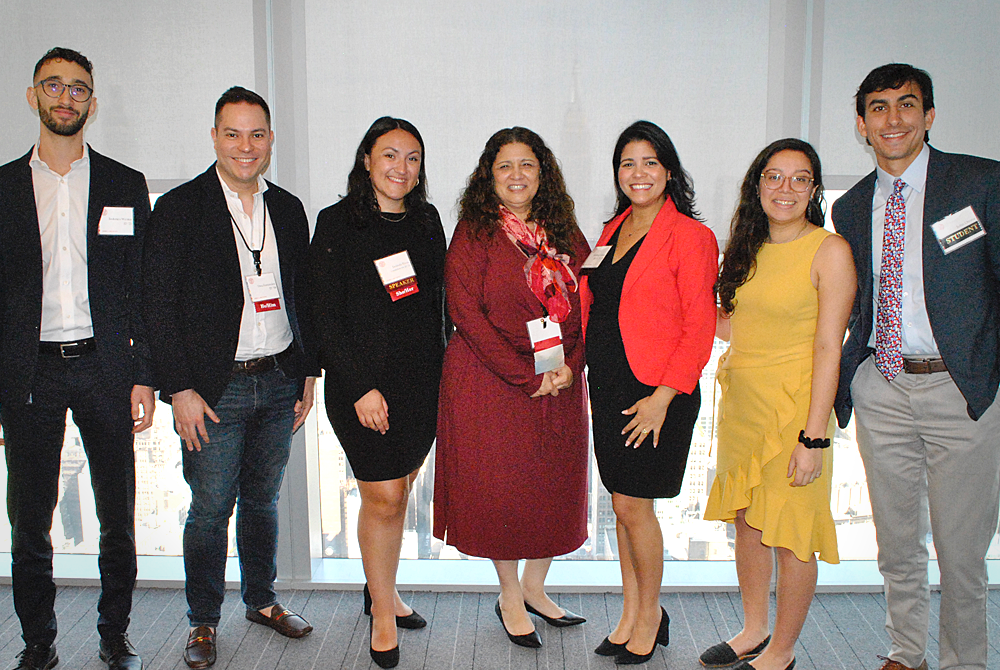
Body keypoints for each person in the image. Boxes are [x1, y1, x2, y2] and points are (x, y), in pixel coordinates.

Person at [142, 87, 318, 669]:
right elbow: (158, 306)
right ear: (214, 136)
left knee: (263, 501)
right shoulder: (180, 207)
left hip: (279, 378)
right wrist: (180, 389)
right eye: (233, 133)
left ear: (271, 139)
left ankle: (262, 600)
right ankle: (202, 620)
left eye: (257, 134)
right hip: (213, 390)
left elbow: (303, 297)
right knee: (211, 508)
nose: (246, 146)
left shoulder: (288, 209)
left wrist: (307, 374)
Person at [833, 63, 1000, 670]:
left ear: (929, 116)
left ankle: (964, 662)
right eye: (879, 108)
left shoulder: (981, 183)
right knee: (897, 541)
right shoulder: (850, 207)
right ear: (862, 124)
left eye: (907, 105)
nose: (893, 119)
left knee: (961, 551)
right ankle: (906, 652)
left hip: (963, 389)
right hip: (883, 384)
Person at [0, 47, 152, 670]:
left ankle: (114, 635)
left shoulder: (123, 183)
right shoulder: (4, 187)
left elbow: (141, 286)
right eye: (53, 85)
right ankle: (39, 642)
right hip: (28, 369)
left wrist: (144, 374)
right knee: (30, 517)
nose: (66, 96)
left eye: (78, 88)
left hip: (105, 367)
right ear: (32, 96)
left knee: (118, 512)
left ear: (93, 101)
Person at [434, 127, 590, 648]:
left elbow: (591, 302)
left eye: (528, 165)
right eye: (506, 166)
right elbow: (465, 316)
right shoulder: (475, 232)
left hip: (560, 380)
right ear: (489, 176)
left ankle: (535, 588)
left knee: (552, 487)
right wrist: (528, 375)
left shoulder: (563, 230)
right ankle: (508, 595)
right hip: (492, 383)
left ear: (543, 173)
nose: (517, 175)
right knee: (501, 492)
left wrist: (571, 364)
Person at [703, 139, 855, 670]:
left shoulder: (829, 250)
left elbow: (827, 348)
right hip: (744, 405)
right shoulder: (747, 250)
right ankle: (753, 630)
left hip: (797, 410)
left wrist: (814, 437)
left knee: (792, 533)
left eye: (799, 178)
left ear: (814, 188)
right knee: (748, 519)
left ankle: (783, 651)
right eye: (774, 176)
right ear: (757, 186)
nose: (785, 188)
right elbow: (731, 326)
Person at [309, 117, 446, 668]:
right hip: (359, 386)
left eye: (412, 157)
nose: (401, 168)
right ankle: (383, 615)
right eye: (390, 155)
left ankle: (379, 589)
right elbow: (322, 314)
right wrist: (361, 386)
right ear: (366, 160)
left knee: (402, 486)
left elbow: (437, 300)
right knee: (383, 496)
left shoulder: (427, 220)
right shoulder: (337, 223)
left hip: (421, 383)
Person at [579, 120, 717, 665]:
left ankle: (650, 614)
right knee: (622, 505)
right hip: (609, 384)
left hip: (656, 391)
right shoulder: (610, 231)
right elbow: (596, 307)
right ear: (618, 172)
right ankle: (632, 612)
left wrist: (664, 396)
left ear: (668, 171)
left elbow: (699, 324)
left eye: (650, 163)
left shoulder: (690, 236)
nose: (639, 173)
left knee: (638, 507)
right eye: (628, 163)